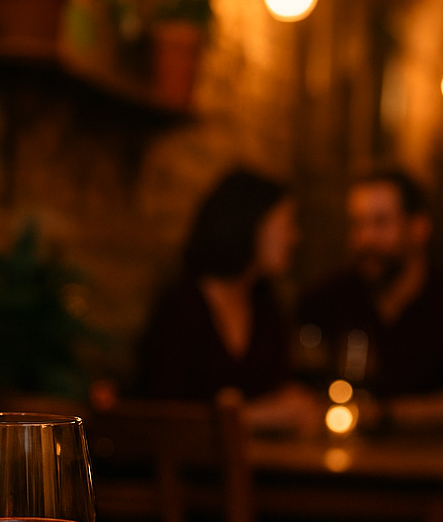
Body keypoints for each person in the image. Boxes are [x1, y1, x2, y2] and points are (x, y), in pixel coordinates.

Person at [299, 169, 443, 429]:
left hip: (434, 461)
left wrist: (383, 415)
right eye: (358, 224)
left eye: (380, 223)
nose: (366, 239)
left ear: (419, 228)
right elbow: (302, 388)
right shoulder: (326, 298)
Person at [137, 169, 322, 432]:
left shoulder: (265, 307)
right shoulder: (182, 308)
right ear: (250, 223)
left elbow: (276, 389)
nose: (295, 237)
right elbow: (162, 416)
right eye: (287, 224)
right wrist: (259, 416)